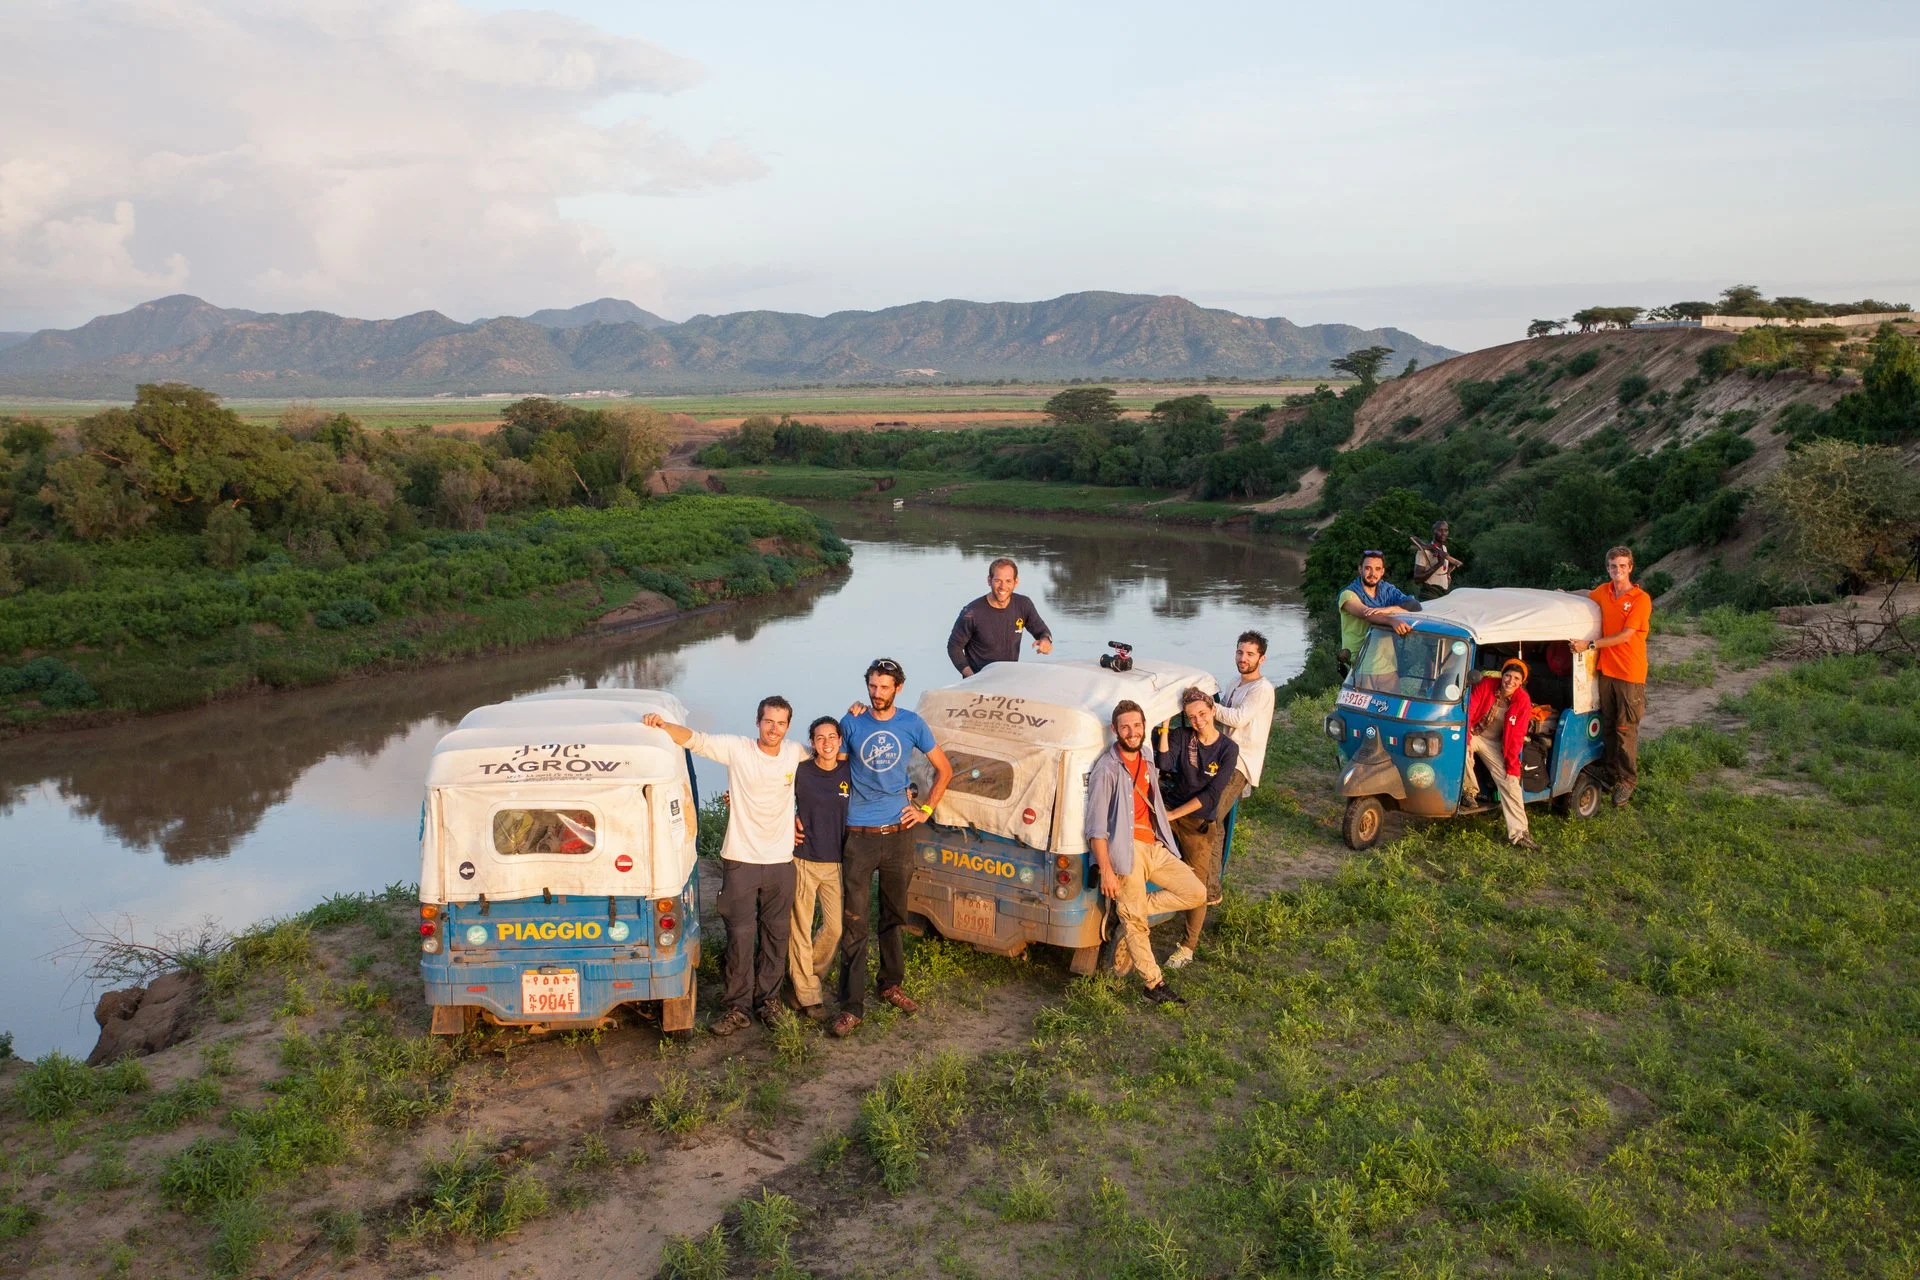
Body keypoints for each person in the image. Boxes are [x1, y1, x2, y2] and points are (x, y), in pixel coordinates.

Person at [644, 698, 807, 1036]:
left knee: (776, 935)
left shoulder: (795, 752)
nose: (774, 729)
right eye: (768, 721)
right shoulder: (738, 748)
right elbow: (696, 740)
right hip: (741, 859)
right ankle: (737, 1007)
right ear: (758, 721)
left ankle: (769, 1001)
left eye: (781, 723)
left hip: (780, 861)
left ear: (788, 726)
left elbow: (831, 756)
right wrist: (662, 725)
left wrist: (856, 717)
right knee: (740, 936)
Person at [833, 658, 953, 1037]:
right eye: (872, 685)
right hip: (859, 835)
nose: (877, 693)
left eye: (884, 687)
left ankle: (890, 985)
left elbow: (944, 769)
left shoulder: (912, 724)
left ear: (898, 688)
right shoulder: (851, 722)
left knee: (893, 915)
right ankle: (851, 1006)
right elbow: (834, 771)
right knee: (854, 921)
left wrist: (925, 809)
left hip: (899, 834)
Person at [1085, 700, 1207, 1006]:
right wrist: (1107, 871)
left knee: (1196, 892)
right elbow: (1096, 829)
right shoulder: (1106, 770)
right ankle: (1154, 985)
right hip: (1126, 853)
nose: (1132, 732)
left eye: (1137, 726)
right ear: (1115, 730)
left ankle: (1130, 910)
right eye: (1125, 727)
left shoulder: (1147, 756)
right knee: (1137, 925)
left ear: (1144, 726)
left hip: (1153, 846)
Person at [1159, 687, 1241, 971]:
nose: (1198, 721)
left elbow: (1212, 795)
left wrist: (1173, 814)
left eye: (1203, 714)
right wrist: (1166, 725)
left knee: (1198, 886)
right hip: (1170, 808)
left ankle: (1188, 947)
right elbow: (1165, 762)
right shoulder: (1183, 736)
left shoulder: (1228, 749)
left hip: (1197, 821)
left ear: (1213, 711)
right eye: (1191, 716)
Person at [1571, 545, 1651, 807]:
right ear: (1608, 568)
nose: (1618, 570)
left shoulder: (1640, 599)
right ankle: (1609, 770)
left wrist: (1590, 645)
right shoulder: (1604, 592)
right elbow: (1586, 594)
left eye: (1623, 566)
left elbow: (1626, 636)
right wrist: (1562, 594)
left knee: (1625, 728)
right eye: (1614, 566)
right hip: (1607, 671)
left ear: (1630, 568)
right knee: (1607, 725)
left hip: (1629, 674)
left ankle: (1627, 781)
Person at [787, 716, 848, 1022]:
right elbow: (775, 794)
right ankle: (808, 993)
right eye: (820, 738)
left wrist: (910, 794)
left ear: (840, 740)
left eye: (832, 737)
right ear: (812, 742)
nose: (826, 743)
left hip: (836, 861)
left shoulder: (849, 772)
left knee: (835, 929)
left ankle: (806, 977)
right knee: (801, 926)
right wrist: (789, 818)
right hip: (804, 858)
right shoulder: (801, 770)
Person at [1459, 659, 1539, 850]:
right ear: (1502, 675)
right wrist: (1467, 740)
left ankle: (1520, 834)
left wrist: (1512, 767)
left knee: (1510, 781)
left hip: (1494, 743)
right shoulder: (1486, 685)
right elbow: (1469, 712)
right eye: (1508, 676)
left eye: (1516, 678)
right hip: (1474, 733)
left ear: (1521, 682)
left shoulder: (1522, 701)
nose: (1510, 681)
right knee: (1461, 749)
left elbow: (1516, 736)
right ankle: (1469, 793)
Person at [947, 557, 1053, 676]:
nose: (1003, 586)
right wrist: (972, 677)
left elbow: (1042, 631)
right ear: (989, 580)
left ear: (1016, 582)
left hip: (1008, 680)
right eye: (998, 580)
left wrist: (1046, 641)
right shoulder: (971, 612)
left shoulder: (1023, 604)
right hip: (979, 681)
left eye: (1008, 581)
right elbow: (954, 647)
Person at [1211, 629, 1275, 805]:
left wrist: (1208, 706)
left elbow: (1237, 719)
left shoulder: (1262, 688)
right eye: (1240, 652)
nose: (1243, 658)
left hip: (1241, 760)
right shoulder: (1235, 681)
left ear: (1261, 659)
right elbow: (1221, 715)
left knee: (1213, 809)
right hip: (1223, 753)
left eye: (1250, 654)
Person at [1337, 550, 1419, 672]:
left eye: (1377, 569)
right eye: (1368, 568)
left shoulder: (1387, 590)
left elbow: (1414, 605)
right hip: (1360, 661)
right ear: (1360, 569)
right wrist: (1392, 621)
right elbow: (1367, 614)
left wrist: (1391, 609)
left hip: (1387, 660)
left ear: (1382, 571)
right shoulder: (1348, 594)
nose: (1372, 573)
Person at [1410, 520, 1463, 598]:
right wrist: (1439, 564)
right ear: (1433, 531)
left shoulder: (1444, 549)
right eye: (1440, 530)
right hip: (1429, 594)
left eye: (1446, 530)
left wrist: (1448, 573)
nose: (1443, 533)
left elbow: (1444, 570)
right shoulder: (1423, 552)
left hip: (1443, 594)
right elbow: (1417, 579)